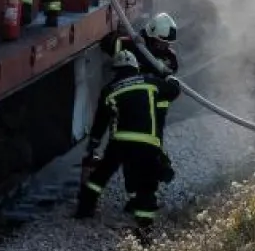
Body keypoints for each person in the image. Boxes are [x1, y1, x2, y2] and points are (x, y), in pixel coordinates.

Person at [74, 49, 181, 230]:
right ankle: (144, 227)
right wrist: (169, 76)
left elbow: (100, 122)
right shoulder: (150, 82)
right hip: (147, 142)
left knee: (100, 176)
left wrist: (94, 144)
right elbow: (174, 90)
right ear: (135, 67)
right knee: (146, 185)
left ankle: (84, 210)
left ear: (116, 70)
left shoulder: (110, 90)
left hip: (120, 142)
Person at [100, 13, 179, 181]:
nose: (164, 46)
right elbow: (106, 43)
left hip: (156, 108)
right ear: (151, 34)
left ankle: (156, 169)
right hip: (132, 105)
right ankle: (141, 177)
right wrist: (129, 40)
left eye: (167, 43)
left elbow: (163, 69)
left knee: (153, 141)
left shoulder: (168, 57)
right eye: (161, 42)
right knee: (131, 142)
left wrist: (140, 48)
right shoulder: (131, 44)